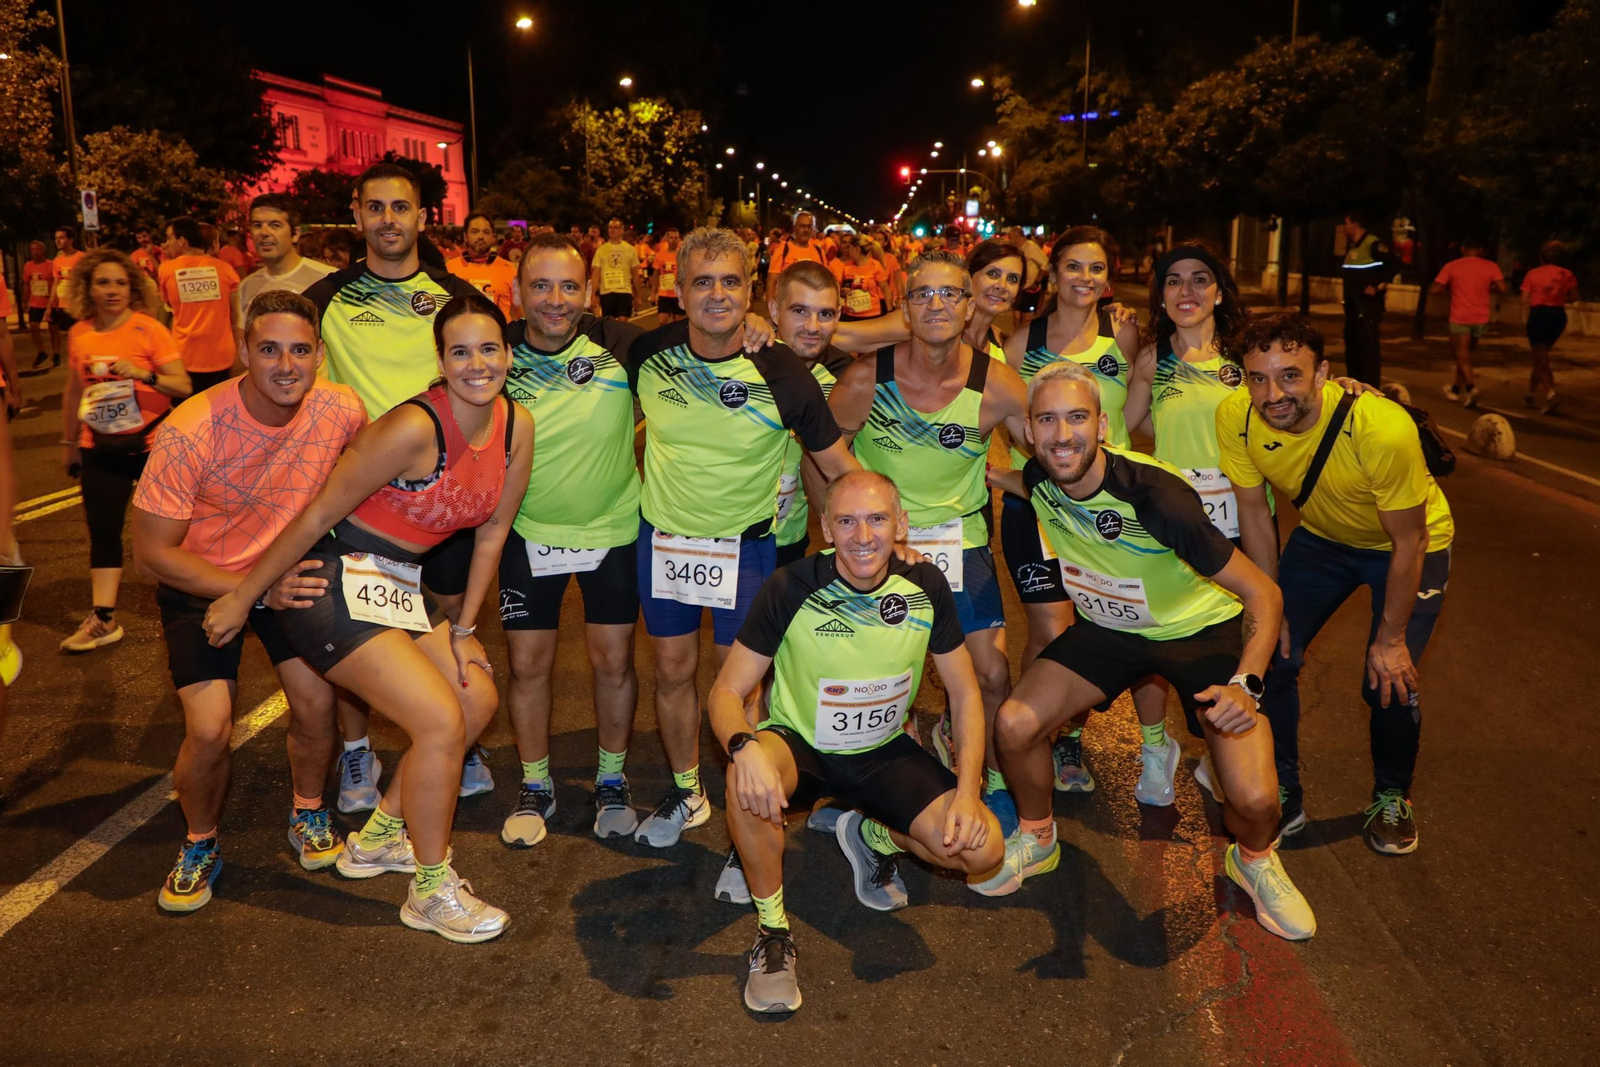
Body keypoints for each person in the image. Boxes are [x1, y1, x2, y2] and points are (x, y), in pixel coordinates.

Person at [203, 293, 533, 941]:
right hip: (332, 583)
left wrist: (464, 630)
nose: (476, 363)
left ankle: (381, 833)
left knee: (475, 697)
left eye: (489, 348)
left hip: (396, 585)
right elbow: (320, 514)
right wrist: (244, 597)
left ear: (508, 355)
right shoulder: (414, 427)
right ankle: (431, 888)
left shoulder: (517, 427)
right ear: (439, 359)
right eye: (459, 351)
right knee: (438, 718)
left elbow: (493, 533)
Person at [981, 362, 1314, 942]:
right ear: (1029, 432)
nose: (1063, 435)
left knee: (1257, 800)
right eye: (1049, 420)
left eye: (1078, 418)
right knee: (1012, 724)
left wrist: (1248, 683)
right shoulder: (1040, 475)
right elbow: (1014, 481)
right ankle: (1037, 837)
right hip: (1108, 632)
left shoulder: (1158, 496)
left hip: (1199, 634)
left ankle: (1254, 860)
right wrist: (980, 476)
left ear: (1103, 425)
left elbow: (1263, 590)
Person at [711, 471, 1003, 1013]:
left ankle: (873, 835)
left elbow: (965, 695)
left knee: (982, 848)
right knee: (744, 777)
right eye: (845, 521)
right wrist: (741, 744)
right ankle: (773, 934)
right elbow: (726, 691)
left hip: (883, 753)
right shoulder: (791, 586)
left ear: (901, 524)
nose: (862, 536)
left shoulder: (925, 585)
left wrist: (968, 789)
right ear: (825, 528)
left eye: (876, 519)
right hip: (801, 747)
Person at [131, 290, 367, 912]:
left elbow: (374, 480)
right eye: (268, 350)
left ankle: (308, 811)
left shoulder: (341, 410)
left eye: (299, 350)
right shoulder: (188, 432)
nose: (285, 365)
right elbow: (153, 553)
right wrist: (251, 588)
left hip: (289, 575)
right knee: (209, 730)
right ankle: (200, 842)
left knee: (317, 707)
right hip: (205, 581)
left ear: (320, 355)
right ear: (242, 351)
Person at [627, 227, 860, 848]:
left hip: (746, 549)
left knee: (743, 688)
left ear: (750, 290)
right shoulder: (645, 353)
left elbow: (842, 470)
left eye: (731, 280)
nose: (717, 294)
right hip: (667, 542)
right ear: (677, 289)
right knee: (673, 671)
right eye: (702, 281)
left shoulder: (783, 372)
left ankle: (748, 823)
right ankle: (687, 793)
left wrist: (887, 538)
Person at [1221, 313, 1452, 855]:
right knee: (1268, 652)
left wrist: (1390, 640)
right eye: (1258, 377)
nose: (1273, 393)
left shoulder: (1380, 427)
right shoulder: (1236, 416)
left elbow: (1409, 543)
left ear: (1322, 372)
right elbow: (1256, 516)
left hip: (1408, 546)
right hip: (1323, 539)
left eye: (1290, 375)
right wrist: (1268, 605)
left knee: (1389, 678)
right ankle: (1284, 789)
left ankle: (1392, 795)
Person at [829, 250, 1031, 835]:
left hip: (958, 542)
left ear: (970, 306)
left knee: (989, 674)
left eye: (950, 294)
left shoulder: (997, 384)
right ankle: (863, 777)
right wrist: (841, 528)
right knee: (872, 672)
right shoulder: (869, 376)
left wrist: (1005, 479)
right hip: (872, 546)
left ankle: (990, 779)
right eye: (922, 294)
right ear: (905, 307)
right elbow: (824, 455)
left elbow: (1046, 457)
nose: (936, 304)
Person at [304, 163, 485, 810]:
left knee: (452, 621)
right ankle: (358, 755)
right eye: (375, 207)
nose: (388, 220)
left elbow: (491, 381)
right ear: (356, 215)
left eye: (400, 208)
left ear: (422, 218)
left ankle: (457, 734)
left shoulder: (458, 296)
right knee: (366, 633)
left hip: (442, 499)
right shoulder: (324, 298)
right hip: (364, 503)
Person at [496, 233, 645, 847]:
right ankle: (536, 783)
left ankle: (612, 779)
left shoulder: (624, 345)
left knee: (613, 660)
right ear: (516, 292)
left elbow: (707, 346)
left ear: (588, 291)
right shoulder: (493, 351)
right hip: (525, 534)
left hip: (613, 531)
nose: (555, 300)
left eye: (568, 287)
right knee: (528, 665)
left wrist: (755, 331)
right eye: (540, 285)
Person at [1121, 241, 1259, 804]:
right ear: (1161, 294)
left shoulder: (1245, 357)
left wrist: (1349, 388)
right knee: (1150, 640)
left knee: (1224, 648)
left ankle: (1218, 751)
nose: (1186, 291)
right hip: (1170, 524)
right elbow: (1124, 427)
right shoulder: (1153, 360)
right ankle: (1156, 749)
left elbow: (1295, 402)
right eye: (1173, 281)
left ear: (1219, 291)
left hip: (1238, 522)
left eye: (1199, 279)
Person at [59, 249, 193, 653]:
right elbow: (74, 391)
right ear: (88, 289)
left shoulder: (148, 329)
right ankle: (103, 619)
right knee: (103, 532)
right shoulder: (80, 333)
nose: (112, 290)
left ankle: (200, 600)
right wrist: (70, 444)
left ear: (132, 287)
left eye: (120, 282)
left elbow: (183, 386)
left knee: (179, 531)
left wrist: (143, 374)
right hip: (100, 445)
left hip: (152, 444)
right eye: (103, 282)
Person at [769, 262, 858, 569]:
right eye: (799, 311)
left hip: (790, 542)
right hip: (724, 537)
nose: (812, 326)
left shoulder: (839, 387)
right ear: (773, 310)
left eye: (825, 314)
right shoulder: (740, 365)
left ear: (838, 318)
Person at [159, 216, 242, 396]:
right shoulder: (226, 269)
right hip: (222, 356)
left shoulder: (166, 270)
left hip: (185, 356)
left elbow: (168, 305)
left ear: (181, 240)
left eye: (169, 238)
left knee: (188, 414)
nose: (166, 244)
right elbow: (236, 315)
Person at [235, 194, 336, 325]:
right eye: (257, 225)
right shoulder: (246, 287)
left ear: (295, 234)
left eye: (275, 225)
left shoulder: (328, 279)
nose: (264, 233)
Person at [1431, 238, 1506, 407]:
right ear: (1480, 250)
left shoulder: (1452, 266)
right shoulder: (1491, 266)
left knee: (1461, 354)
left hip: (1460, 316)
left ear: (1463, 249)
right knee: (1465, 356)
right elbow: (1502, 288)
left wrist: (1451, 287)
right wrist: (1486, 287)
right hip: (1481, 316)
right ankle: (1456, 388)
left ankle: (1472, 388)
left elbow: (1435, 289)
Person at [1339, 212, 1396, 386]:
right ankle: (1354, 387)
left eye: (1347, 223)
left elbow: (1393, 263)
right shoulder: (1354, 247)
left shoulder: (1373, 244)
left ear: (1355, 225)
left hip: (1367, 306)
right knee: (1353, 348)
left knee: (1367, 349)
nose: (1345, 227)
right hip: (1352, 307)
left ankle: (1370, 390)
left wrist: (1377, 286)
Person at [1519, 239, 1577, 414]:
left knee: (1541, 357)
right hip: (1558, 316)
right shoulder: (1567, 274)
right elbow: (1574, 297)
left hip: (1540, 315)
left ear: (1541, 257)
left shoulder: (1533, 274)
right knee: (1540, 356)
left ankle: (1551, 394)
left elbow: (1523, 299)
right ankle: (1530, 393)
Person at [446, 212, 518, 321]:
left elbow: (518, 311)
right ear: (465, 236)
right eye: (475, 232)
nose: (480, 236)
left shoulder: (508, 269)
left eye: (486, 232)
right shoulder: (450, 268)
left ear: (493, 236)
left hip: (500, 335)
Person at [41, 227, 85, 370]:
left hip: (78, 304)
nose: (58, 241)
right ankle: (76, 362)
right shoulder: (57, 261)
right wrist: (49, 306)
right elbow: (56, 283)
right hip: (63, 304)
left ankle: (86, 359)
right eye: (56, 238)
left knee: (82, 333)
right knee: (68, 334)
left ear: (71, 240)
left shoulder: (81, 258)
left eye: (61, 237)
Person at [830, 234, 889, 320]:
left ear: (857, 249)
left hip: (871, 315)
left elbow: (885, 289)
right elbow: (842, 289)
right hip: (850, 315)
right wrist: (843, 292)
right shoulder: (847, 266)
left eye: (849, 247)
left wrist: (889, 312)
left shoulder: (874, 265)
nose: (847, 249)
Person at [591, 218, 640, 320]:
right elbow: (596, 273)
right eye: (610, 228)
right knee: (609, 323)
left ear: (622, 230)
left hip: (624, 291)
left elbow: (635, 273)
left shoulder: (630, 249)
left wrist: (638, 295)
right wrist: (593, 294)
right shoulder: (601, 250)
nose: (613, 230)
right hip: (607, 292)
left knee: (623, 322)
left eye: (616, 228)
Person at [765, 211, 826, 291]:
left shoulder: (819, 252)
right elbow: (772, 282)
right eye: (802, 226)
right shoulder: (782, 250)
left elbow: (826, 281)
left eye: (809, 226)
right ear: (794, 228)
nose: (806, 230)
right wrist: (770, 303)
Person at [1006, 225, 1050, 331]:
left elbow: (1045, 263)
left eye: (1011, 237)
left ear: (1017, 236)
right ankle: (1016, 338)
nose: (1010, 240)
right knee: (1016, 316)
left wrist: (1037, 281)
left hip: (1030, 288)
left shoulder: (1030, 246)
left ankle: (1025, 340)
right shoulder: (1018, 249)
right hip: (1019, 288)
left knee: (1027, 318)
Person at [22, 241, 57, 368]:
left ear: (43, 250)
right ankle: (41, 352)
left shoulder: (50, 265)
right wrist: (24, 301)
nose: (35, 252)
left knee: (53, 329)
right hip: (35, 301)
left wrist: (54, 301)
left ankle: (56, 353)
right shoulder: (27, 266)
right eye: (32, 249)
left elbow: (55, 283)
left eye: (38, 249)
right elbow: (26, 284)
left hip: (49, 301)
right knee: (33, 327)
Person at [651, 227, 683, 323]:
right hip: (664, 293)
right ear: (667, 239)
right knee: (662, 321)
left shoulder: (682, 256)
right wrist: (653, 293)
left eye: (676, 238)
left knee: (677, 323)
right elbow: (656, 274)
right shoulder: (659, 255)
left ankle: (676, 338)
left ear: (679, 239)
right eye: (671, 237)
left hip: (677, 294)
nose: (673, 240)